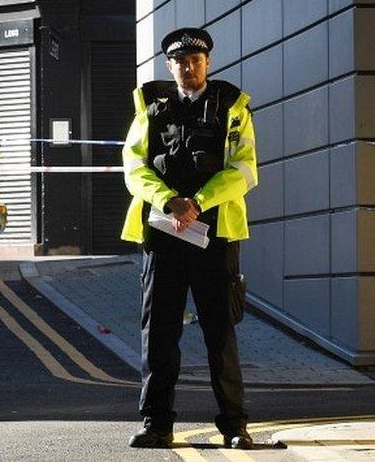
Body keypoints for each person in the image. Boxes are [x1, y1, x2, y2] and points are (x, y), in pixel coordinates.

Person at [120, 27, 258, 449]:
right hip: (163, 234)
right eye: (180, 61)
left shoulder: (232, 106)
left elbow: (245, 170)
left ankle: (235, 426)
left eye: (196, 60)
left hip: (215, 235)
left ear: (208, 63)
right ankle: (156, 424)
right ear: (169, 65)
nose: (188, 67)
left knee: (220, 332)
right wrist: (168, 201)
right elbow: (133, 166)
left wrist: (196, 201)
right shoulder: (151, 106)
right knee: (159, 331)